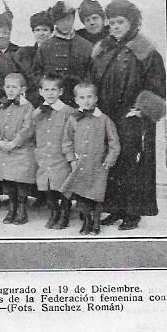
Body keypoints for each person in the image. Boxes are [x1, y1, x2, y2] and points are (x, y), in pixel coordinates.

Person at [93, 0, 166, 231]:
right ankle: (115, 207)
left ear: (132, 23)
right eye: (112, 22)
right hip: (108, 114)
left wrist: (142, 109)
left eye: (121, 22)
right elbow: (93, 79)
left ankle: (133, 213)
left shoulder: (145, 51)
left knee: (132, 163)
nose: (115, 27)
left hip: (132, 117)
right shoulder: (103, 49)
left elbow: (156, 83)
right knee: (111, 160)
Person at [61, 81, 121, 235]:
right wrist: (71, 160)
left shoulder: (104, 119)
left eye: (89, 97)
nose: (86, 100)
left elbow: (114, 142)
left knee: (96, 195)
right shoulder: (73, 119)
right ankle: (86, 220)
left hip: (98, 165)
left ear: (96, 99)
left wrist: (110, 158)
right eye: (82, 97)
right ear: (76, 100)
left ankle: (96, 222)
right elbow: (67, 141)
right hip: (80, 165)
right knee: (81, 194)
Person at [0, 71, 36, 224]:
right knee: (9, 181)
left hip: (21, 150)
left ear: (23, 89)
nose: (10, 90)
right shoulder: (0, 108)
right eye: (8, 87)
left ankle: (22, 209)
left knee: (20, 181)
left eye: (14, 87)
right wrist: (0, 141)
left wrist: (14, 142)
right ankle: (12, 208)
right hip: (4, 149)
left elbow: (27, 128)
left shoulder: (28, 107)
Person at [32, 74, 73, 229]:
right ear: (41, 92)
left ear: (60, 92)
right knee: (47, 185)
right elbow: (31, 130)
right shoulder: (37, 113)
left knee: (64, 185)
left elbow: (74, 133)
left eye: (53, 90)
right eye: (46, 90)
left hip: (61, 155)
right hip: (44, 155)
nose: (50, 93)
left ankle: (64, 213)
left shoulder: (68, 111)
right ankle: (54, 212)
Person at [33, 1, 93, 106]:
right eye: (61, 20)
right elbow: (36, 74)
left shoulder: (85, 45)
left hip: (79, 102)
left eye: (68, 19)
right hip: (53, 102)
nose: (65, 23)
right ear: (55, 22)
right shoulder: (45, 47)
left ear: (73, 19)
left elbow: (91, 75)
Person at [13, 10, 54, 88]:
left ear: (51, 32)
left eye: (45, 30)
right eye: (37, 30)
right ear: (33, 32)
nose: (41, 33)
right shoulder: (24, 54)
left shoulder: (57, 52)